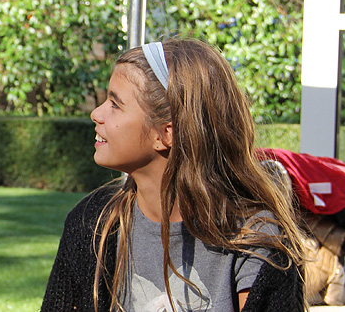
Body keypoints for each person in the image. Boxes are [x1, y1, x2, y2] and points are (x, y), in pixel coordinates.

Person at [41, 38, 307, 312]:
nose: (96, 114)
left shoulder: (255, 239)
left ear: (166, 133)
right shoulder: (93, 223)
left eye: (115, 104)